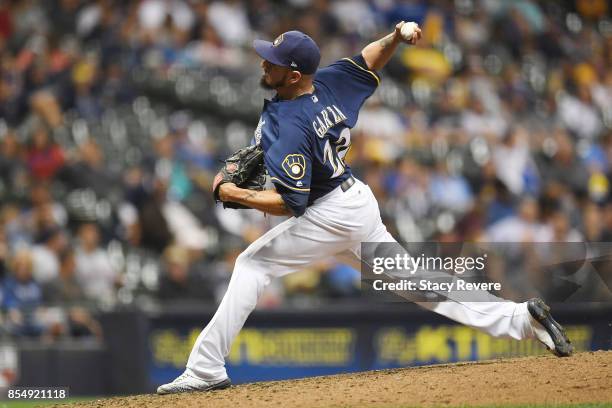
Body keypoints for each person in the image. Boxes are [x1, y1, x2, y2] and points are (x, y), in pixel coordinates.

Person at [157, 23, 573, 394]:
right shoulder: (331, 82)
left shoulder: (289, 125)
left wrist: (234, 194)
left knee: (252, 265)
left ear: (294, 74)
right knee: (418, 285)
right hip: (353, 203)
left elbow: (290, 202)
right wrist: (395, 37)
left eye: (274, 62)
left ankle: (206, 367)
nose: (265, 64)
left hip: (328, 213)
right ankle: (522, 319)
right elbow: (369, 58)